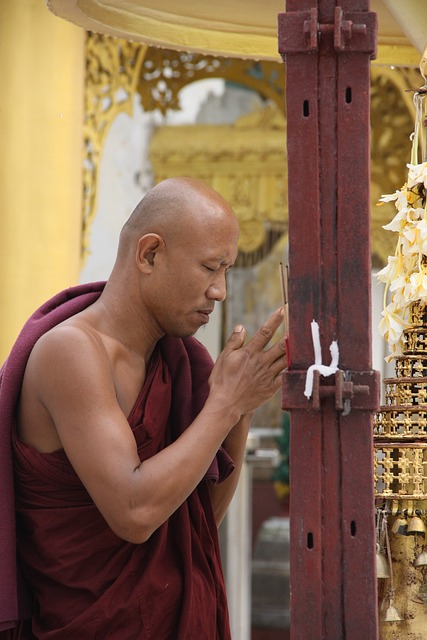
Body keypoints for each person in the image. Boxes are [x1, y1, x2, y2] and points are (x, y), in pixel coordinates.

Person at [3, 177, 286, 639]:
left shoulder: (179, 363)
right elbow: (135, 513)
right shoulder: (72, 353)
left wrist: (241, 407)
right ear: (149, 254)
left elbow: (196, 521)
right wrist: (225, 402)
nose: (220, 291)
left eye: (227, 272)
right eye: (210, 268)